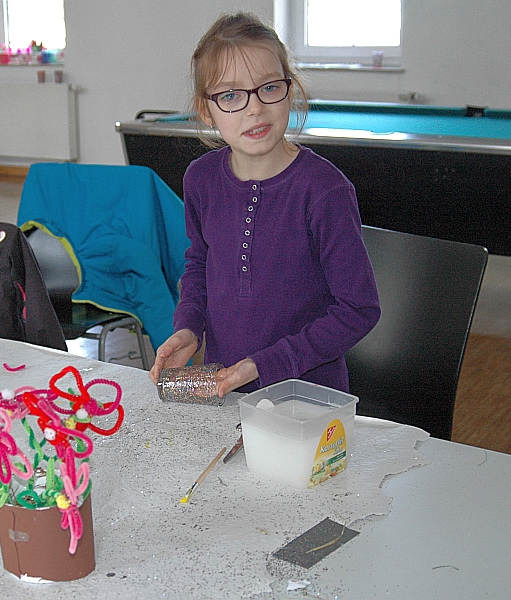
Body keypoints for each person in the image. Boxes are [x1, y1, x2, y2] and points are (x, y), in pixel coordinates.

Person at [149, 12, 380, 397]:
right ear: (206, 110)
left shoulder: (325, 190)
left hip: (308, 401)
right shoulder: (200, 179)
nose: (254, 108)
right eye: (230, 95)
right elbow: (199, 264)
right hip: (227, 393)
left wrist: (262, 365)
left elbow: (358, 310)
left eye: (269, 88)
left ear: (290, 90)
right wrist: (188, 327)